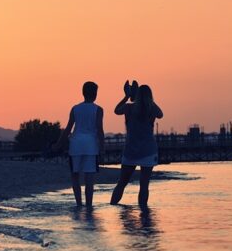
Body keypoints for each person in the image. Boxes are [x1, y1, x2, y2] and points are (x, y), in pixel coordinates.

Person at [110, 81, 163, 209]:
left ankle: (113, 208)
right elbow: (160, 114)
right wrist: (148, 99)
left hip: (131, 150)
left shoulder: (129, 107)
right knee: (144, 185)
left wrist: (127, 96)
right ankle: (144, 214)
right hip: (148, 150)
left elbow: (116, 110)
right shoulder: (151, 109)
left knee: (122, 182)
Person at [55, 81, 105, 208]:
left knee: (75, 177)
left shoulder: (75, 108)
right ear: (95, 94)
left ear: (83, 93)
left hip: (76, 145)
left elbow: (68, 129)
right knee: (89, 179)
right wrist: (102, 148)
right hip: (91, 146)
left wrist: (58, 144)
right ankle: (89, 207)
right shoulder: (98, 109)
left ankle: (79, 204)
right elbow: (99, 130)